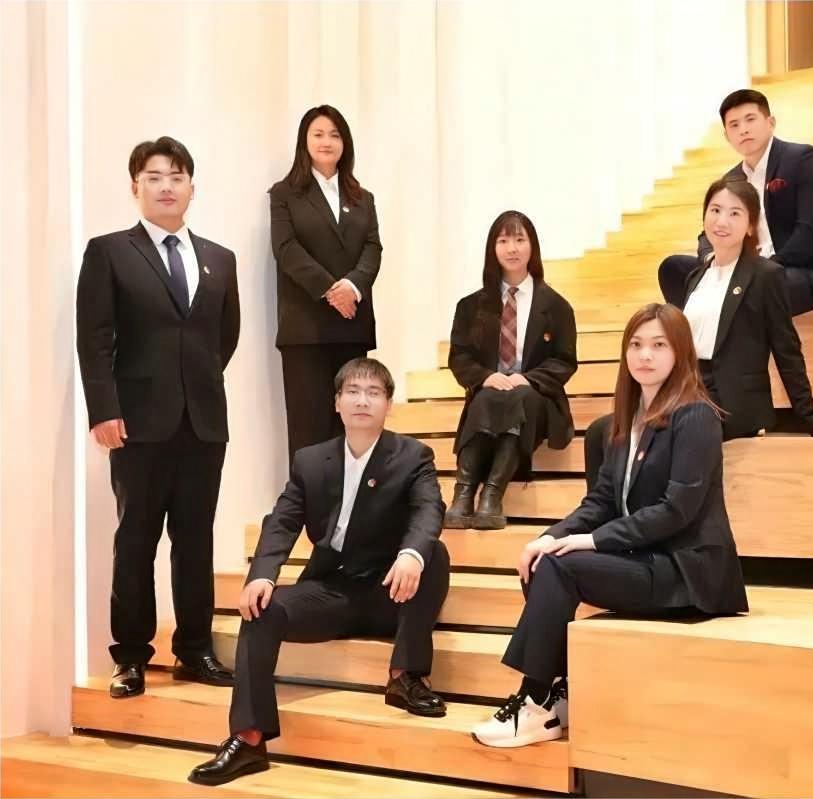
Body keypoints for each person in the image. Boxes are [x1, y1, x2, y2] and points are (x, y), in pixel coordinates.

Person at [471, 304, 748, 748]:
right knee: (544, 559)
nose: (645, 355)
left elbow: (676, 510)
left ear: (680, 352)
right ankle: (559, 694)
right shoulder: (620, 423)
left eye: (659, 345)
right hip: (644, 560)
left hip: (687, 571)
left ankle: (535, 702)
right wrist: (550, 536)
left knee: (561, 566)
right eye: (636, 345)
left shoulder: (697, 415)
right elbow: (600, 501)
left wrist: (591, 541)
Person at [188, 358, 450, 786]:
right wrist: (262, 575)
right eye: (353, 392)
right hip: (333, 591)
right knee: (262, 609)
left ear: (388, 405)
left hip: (390, 591)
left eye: (373, 393)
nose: (362, 401)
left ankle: (406, 676)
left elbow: (429, 509)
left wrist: (411, 554)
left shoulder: (412, 456)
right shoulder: (311, 460)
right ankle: (248, 739)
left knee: (433, 554)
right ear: (337, 402)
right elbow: (283, 521)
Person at [76, 136, 240, 700]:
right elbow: (95, 339)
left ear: (192, 187)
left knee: (195, 540)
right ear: (135, 187)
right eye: (154, 176)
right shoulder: (110, 252)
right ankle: (130, 656)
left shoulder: (220, 259)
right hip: (136, 425)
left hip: (204, 423)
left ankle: (194, 648)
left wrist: (196, 385)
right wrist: (104, 409)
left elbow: (224, 336)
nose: (166, 186)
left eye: (176, 176)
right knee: (136, 539)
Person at [585, 178, 813, 488]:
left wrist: (808, 414)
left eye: (735, 213)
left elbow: (786, 346)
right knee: (599, 432)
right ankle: (603, 514)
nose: (722, 221)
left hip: (729, 399)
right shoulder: (696, 276)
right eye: (715, 210)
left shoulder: (765, 275)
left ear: (750, 225)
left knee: (662, 437)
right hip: (685, 388)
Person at [658, 88, 813, 315]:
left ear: (770, 123)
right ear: (727, 136)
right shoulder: (731, 179)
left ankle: (723, 324)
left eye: (750, 119)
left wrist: (760, 269)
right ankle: (704, 329)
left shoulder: (804, 159)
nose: (743, 129)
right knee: (673, 268)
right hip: (747, 274)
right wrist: (711, 258)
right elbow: (708, 233)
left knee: (762, 283)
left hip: (800, 272)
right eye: (734, 125)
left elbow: (812, 231)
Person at [444, 211, 578, 530]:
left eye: (519, 239)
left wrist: (526, 379)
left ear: (532, 247)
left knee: (520, 395)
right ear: (493, 249)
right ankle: (464, 494)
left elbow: (564, 360)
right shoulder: (470, 306)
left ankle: (492, 494)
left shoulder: (556, 306)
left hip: (538, 399)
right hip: (488, 398)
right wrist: (486, 377)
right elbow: (460, 357)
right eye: (503, 241)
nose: (512, 248)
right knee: (487, 394)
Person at [270, 105, 382, 462]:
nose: (326, 142)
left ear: (345, 143)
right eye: (318, 134)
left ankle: (352, 498)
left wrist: (353, 287)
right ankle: (310, 500)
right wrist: (331, 291)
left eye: (335, 135)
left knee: (354, 428)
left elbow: (372, 248)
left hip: (351, 324)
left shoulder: (363, 198)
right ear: (304, 141)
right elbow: (286, 249)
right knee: (309, 430)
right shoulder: (285, 193)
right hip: (306, 329)